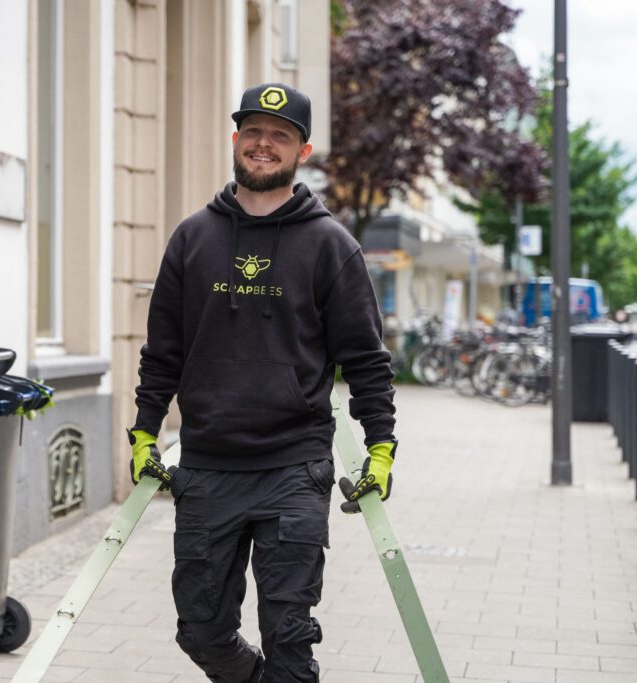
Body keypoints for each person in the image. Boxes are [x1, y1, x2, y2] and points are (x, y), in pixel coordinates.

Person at [128, 82, 397, 682]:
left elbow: (367, 360)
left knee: (290, 639)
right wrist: (145, 433)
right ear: (236, 140)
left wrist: (381, 446)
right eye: (253, 132)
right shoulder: (193, 238)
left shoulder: (332, 247)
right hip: (207, 466)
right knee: (200, 630)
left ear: (301, 151)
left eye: (280, 135)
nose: (263, 144)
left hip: (292, 469)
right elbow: (162, 352)